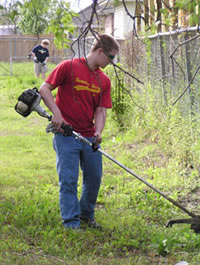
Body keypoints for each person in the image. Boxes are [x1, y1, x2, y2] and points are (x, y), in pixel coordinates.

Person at [40, 33, 120, 230]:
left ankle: (86, 216)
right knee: (68, 179)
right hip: (66, 134)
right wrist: (57, 114)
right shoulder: (69, 66)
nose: (112, 62)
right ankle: (71, 222)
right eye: (111, 57)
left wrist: (99, 131)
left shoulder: (104, 80)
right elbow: (44, 89)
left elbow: (101, 110)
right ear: (100, 51)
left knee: (94, 178)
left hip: (88, 136)